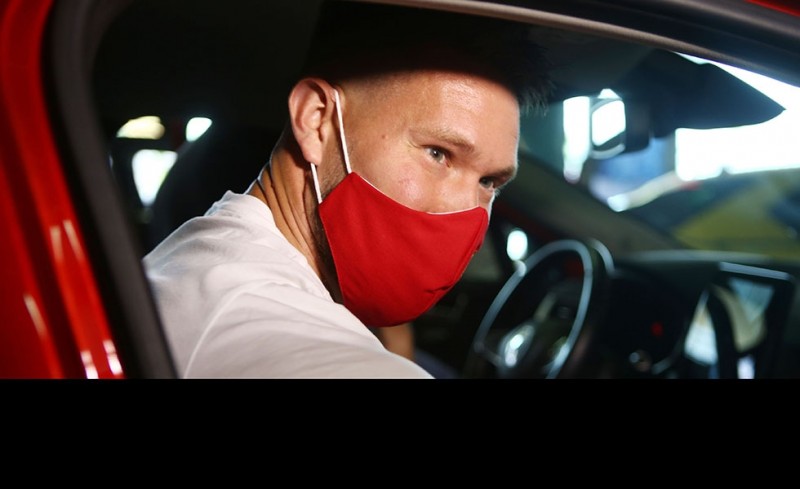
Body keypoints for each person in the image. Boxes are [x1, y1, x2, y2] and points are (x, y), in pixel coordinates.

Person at [143, 0, 552, 378]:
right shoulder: (284, 338)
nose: (466, 215)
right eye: (437, 153)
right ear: (316, 120)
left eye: (489, 182)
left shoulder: (210, 256)